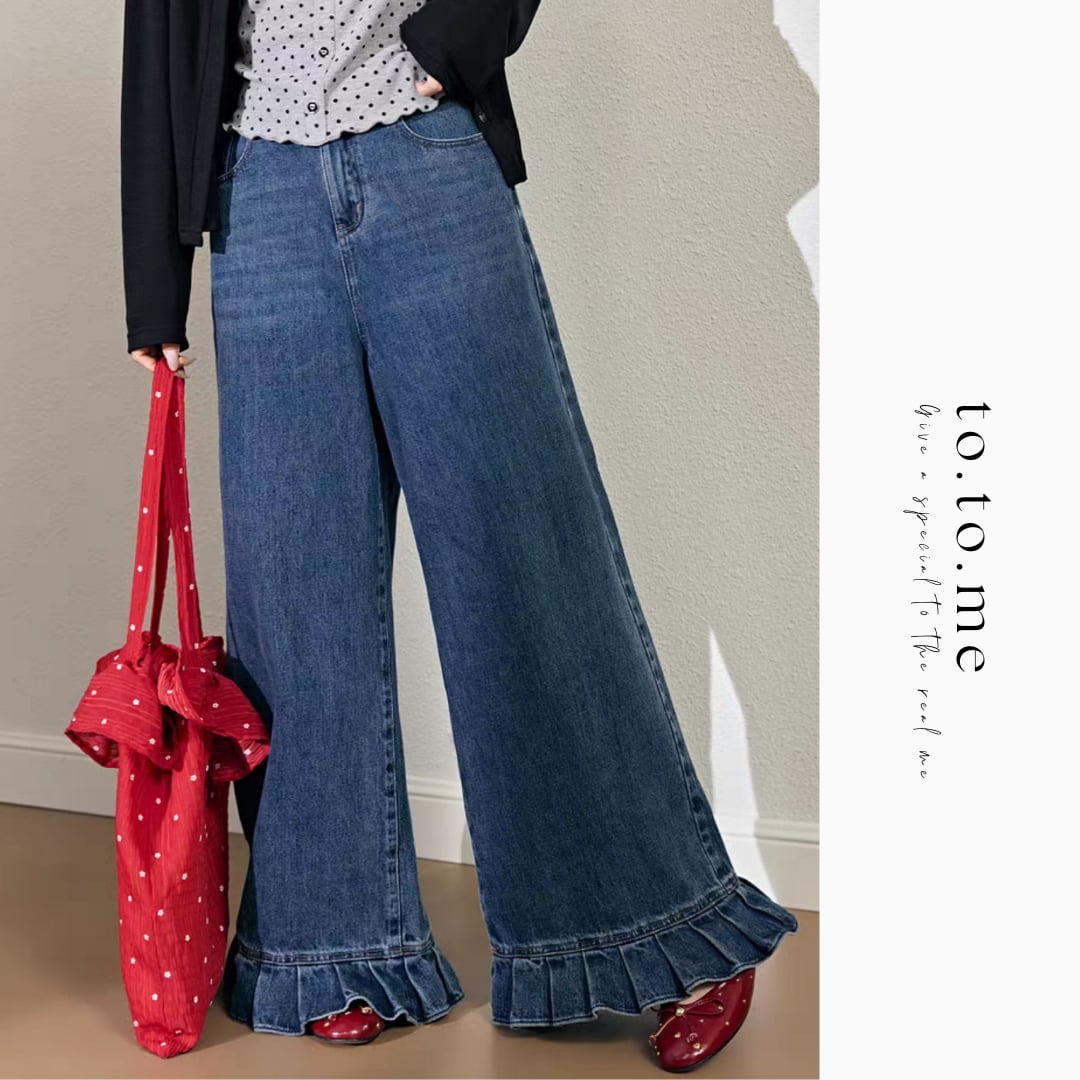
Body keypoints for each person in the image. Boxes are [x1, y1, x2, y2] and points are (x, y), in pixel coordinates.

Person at [122, 2, 798, 1072]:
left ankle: (655, 934)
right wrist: (154, 286)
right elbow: (158, 28)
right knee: (295, 593)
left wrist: (454, 39)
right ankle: (332, 951)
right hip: (261, 199)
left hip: (425, 161)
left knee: (520, 562)